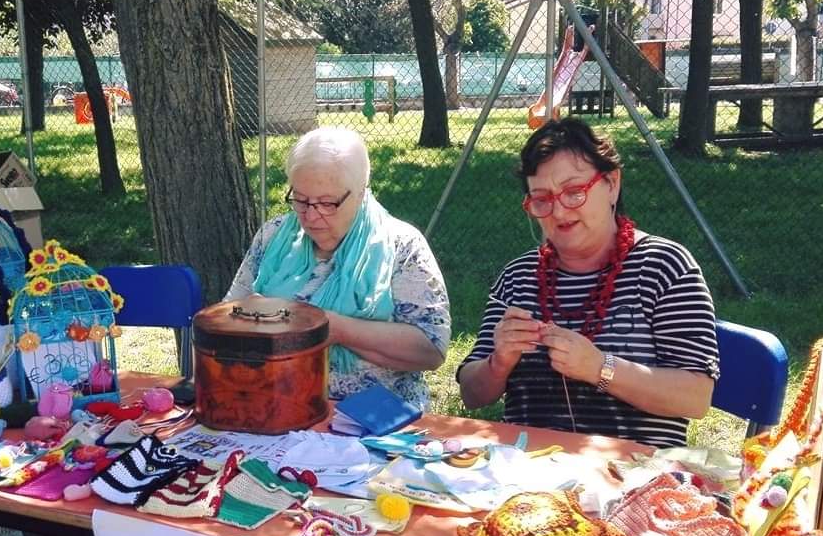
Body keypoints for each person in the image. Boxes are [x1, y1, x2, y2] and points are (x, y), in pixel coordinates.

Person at [457, 117, 718, 447]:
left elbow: (695, 397)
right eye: (542, 199)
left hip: (635, 478)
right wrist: (499, 363)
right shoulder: (518, 278)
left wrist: (599, 367)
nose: (560, 212)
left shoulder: (664, 267)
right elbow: (472, 394)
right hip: (528, 475)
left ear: (611, 183)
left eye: (574, 192)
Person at [226, 126, 450, 409]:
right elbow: (227, 316)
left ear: (360, 194)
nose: (310, 215)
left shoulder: (402, 247)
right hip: (275, 406)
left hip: (375, 419)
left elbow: (430, 349)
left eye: (327, 203)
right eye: (301, 200)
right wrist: (249, 317)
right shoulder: (273, 236)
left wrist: (334, 328)